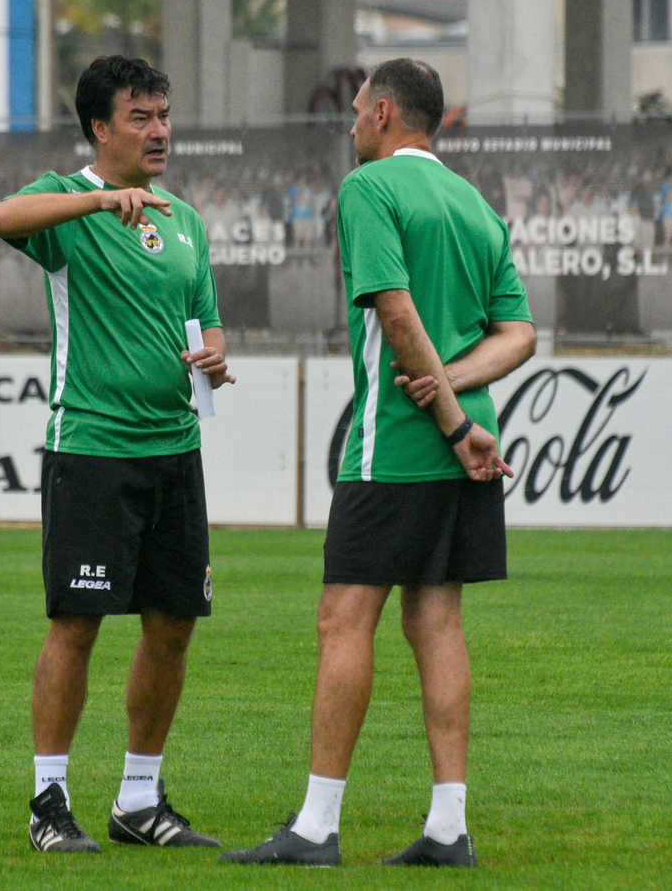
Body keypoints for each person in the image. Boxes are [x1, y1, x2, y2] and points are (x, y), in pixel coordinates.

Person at [221, 58, 535, 868]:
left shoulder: (370, 189)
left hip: (395, 444)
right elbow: (519, 335)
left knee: (344, 619)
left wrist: (445, 410)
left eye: (358, 111)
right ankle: (448, 827)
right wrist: (463, 399)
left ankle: (318, 826)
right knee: (437, 621)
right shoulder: (475, 205)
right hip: (472, 448)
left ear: (387, 112)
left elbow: (394, 311)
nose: (353, 123)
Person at [0, 54, 234, 855]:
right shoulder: (68, 209)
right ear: (100, 127)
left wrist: (217, 357)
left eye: (163, 115)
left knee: (172, 626)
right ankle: (48, 802)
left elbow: (206, 319)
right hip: (91, 447)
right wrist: (95, 200)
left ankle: (138, 799)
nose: (159, 130)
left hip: (175, 449)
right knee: (78, 624)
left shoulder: (185, 219)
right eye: (140, 117)